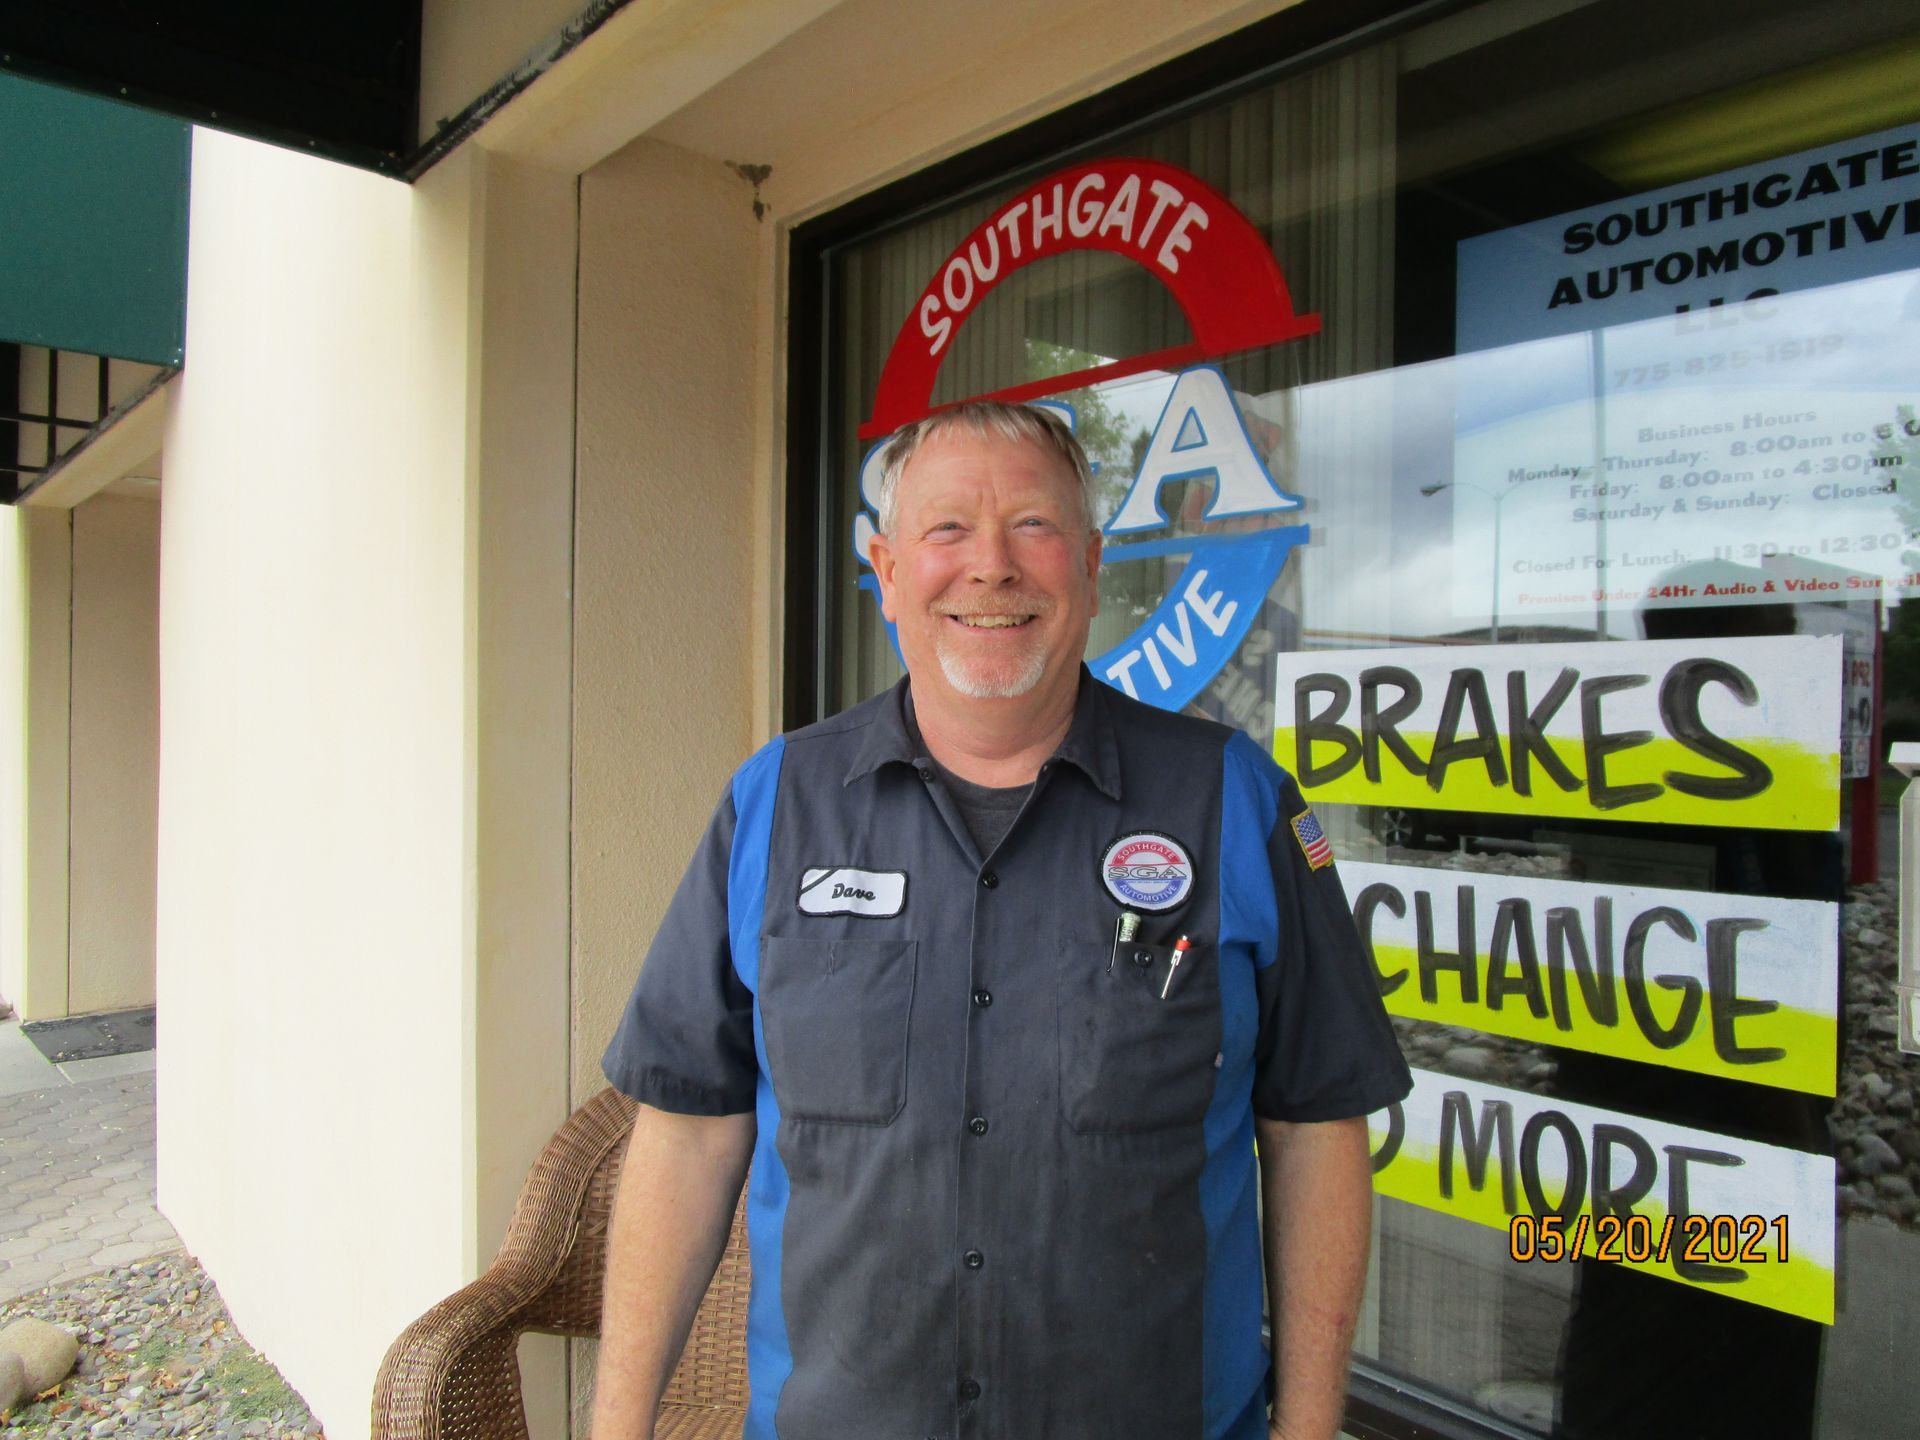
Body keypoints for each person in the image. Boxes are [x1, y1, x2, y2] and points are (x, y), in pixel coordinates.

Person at [592, 400, 1411, 1440]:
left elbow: (1314, 1130)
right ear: (886, 571)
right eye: (946, 531)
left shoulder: (1231, 800)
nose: (992, 566)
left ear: (1091, 561)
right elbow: (688, 1135)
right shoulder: (776, 802)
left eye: (1033, 524)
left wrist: (1305, 1431)